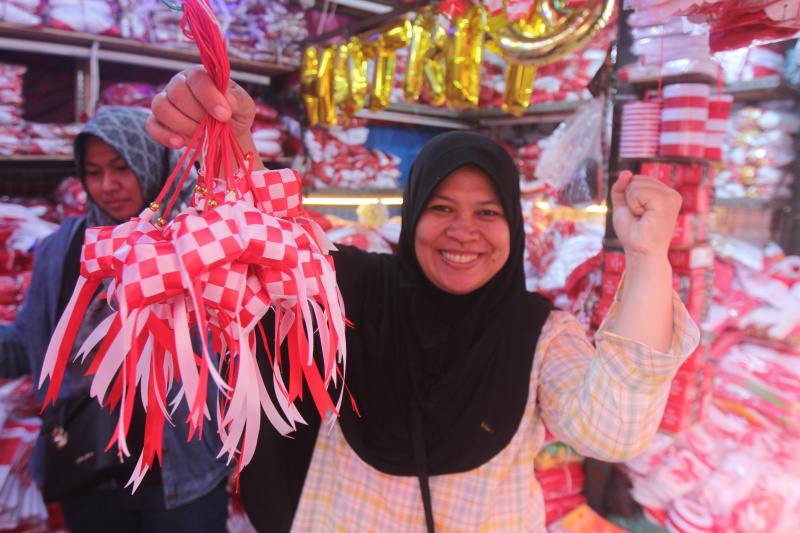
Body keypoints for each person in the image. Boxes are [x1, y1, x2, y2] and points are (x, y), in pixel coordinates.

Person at [147, 66, 701, 533]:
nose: (464, 231)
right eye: (440, 208)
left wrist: (649, 258)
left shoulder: (538, 334)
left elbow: (614, 430)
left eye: (488, 212)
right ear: (411, 215)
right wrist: (230, 138)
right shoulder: (350, 287)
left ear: (513, 224)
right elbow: (265, 243)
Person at [0, 106, 232, 533]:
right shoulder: (64, 249)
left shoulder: (198, 241)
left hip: (182, 475)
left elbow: (232, 346)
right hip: (92, 471)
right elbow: (26, 345)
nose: (107, 186)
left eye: (122, 167)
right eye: (92, 172)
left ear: (151, 160)